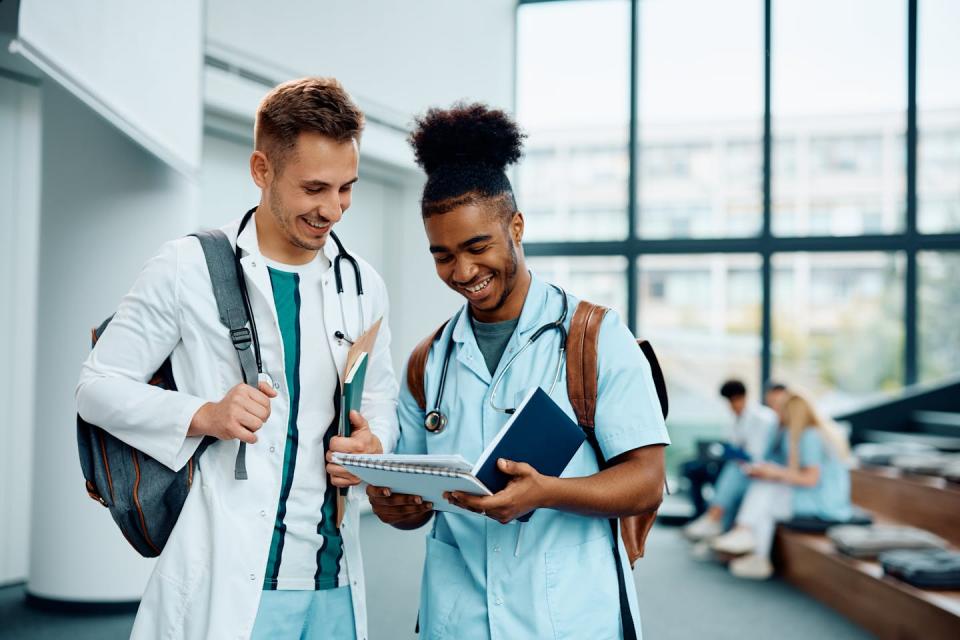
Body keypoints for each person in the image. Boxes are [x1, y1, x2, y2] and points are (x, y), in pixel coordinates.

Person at [76, 77, 398, 640]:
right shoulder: (187, 268)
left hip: (333, 581)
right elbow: (96, 386)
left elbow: (381, 404)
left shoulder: (362, 283)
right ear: (261, 170)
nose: (333, 210)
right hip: (233, 583)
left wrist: (372, 447)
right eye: (315, 188)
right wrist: (204, 415)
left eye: (347, 188)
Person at [365, 103, 669, 640]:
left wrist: (546, 491)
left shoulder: (594, 338)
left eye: (477, 247)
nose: (462, 272)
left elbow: (647, 482)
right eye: (442, 255)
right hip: (457, 620)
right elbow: (416, 502)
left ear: (517, 226)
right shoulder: (426, 362)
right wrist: (393, 503)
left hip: (569, 617)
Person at [710, 391, 852, 579]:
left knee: (766, 492)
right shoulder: (813, 433)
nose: (778, 416)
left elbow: (811, 479)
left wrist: (775, 472)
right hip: (817, 498)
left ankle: (746, 535)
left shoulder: (809, 436)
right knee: (766, 495)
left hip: (823, 505)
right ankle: (755, 553)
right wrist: (773, 472)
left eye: (781, 412)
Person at [682, 379, 779, 527]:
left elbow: (755, 454)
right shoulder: (736, 418)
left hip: (757, 467)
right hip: (741, 466)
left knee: (733, 471)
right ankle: (712, 519)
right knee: (694, 468)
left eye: (733, 400)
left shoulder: (762, 417)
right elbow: (733, 443)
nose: (731, 406)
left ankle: (713, 518)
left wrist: (735, 453)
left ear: (743, 396)